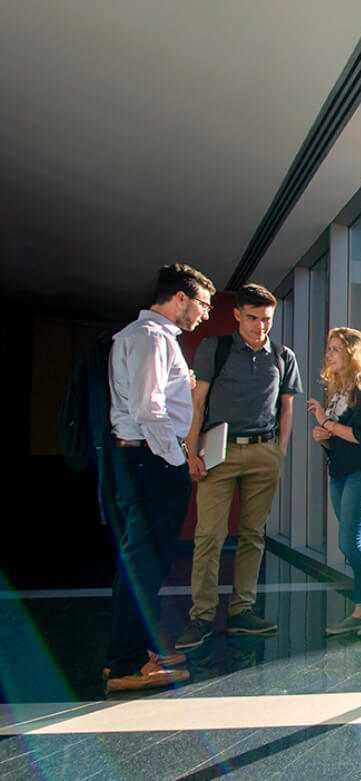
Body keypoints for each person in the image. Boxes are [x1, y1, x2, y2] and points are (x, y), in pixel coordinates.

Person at [105, 262, 215, 692]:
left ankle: (130, 650)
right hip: (150, 461)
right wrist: (177, 459)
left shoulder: (149, 338)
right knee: (144, 565)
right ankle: (124, 665)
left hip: (141, 459)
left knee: (142, 562)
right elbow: (149, 412)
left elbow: (153, 399)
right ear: (180, 298)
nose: (204, 314)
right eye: (202, 305)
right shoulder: (152, 339)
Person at [175, 284, 302, 650]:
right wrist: (191, 450)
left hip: (264, 452)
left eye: (266, 320)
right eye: (252, 318)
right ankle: (201, 616)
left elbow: (287, 408)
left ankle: (241, 610)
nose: (260, 327)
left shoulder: (283, 356)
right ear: (237, 315)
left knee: (253, 535)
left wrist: (280, 451)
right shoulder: (216, 349)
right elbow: (197, 403)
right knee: (209, 535)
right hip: (219, 452)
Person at [307, 327, 361, 636]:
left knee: (350, 542)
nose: (328, 354)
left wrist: (325, 423)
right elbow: (340, 440)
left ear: (352, 353)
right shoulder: (340, 391)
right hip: (341, 473)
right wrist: (324, 436)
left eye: (335, 348)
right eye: (328, 348)